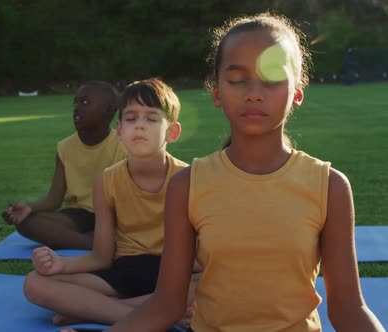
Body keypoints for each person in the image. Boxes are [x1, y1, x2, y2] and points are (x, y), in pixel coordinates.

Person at [105, 12, 386, 332]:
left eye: (272, 78)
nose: (254, 92)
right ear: (217, 93)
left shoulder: (329, 186)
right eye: (238, 80)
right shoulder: (187, 185)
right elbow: (166, 304)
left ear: (297, 93)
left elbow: (349, 309)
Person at [24, 78, 193, 326]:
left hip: (174, 276)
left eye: (151, 119)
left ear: (172, 132)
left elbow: (201, 255)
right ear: (119, 130)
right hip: (123, 272)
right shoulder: (106, 182)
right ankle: (158, 317)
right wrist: (61, 264)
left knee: (217, 282)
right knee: (34, 283)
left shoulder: (188, 178)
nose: (140, 126)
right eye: (132, 118)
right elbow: (101, 257)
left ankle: (91, 311)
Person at [2, 81, 126, 249]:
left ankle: (91, 239)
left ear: (109, 110)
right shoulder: (65, 147)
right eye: (75, 102)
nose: (76, 108)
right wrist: (29, 207)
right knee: (25, 222)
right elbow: (53, 199)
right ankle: (94, 243)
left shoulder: (124, 145)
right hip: (78, 215)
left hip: (113, 215)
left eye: (85, 102)